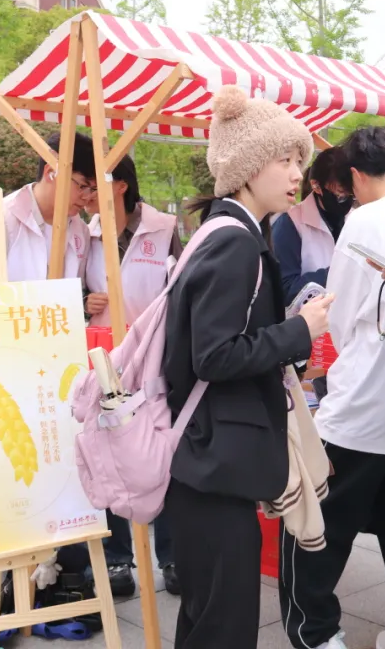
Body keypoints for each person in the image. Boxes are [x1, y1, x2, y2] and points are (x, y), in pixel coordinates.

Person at [162, 86, 333, 649]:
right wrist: (298, 330)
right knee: (224, 627)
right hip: (214, 467)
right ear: (247, 166)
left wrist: (291, 338)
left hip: (207, 462)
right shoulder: (235, 242)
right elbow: (214, 355)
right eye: (285, 159)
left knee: (207, 619)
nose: (297, 173)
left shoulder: (225, 233)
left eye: (300, 160)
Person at [278, 127, 385, 649]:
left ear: (358, 176)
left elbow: (339, 318)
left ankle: (317, 633)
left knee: (316, 527)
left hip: (359, 409)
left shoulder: (362, 221)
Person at [82, 154, 184, 597]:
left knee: (161, 453)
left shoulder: (163, 227)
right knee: (110, 452)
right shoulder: (84, 233)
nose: (85, 195)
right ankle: (119, 559)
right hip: (104, 360)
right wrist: (83, 300)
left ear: (120, 184)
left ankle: (173, 556)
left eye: (92, 185)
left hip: (154, 359)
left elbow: (182, 287)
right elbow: (67, 287)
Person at [0, 132, 94, 285]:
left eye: (93, 189)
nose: (87, 196)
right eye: (83, 186)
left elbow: (78, 290)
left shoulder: (80, 230)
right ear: (51, 173)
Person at [273, 147, 352, 305]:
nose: (346, 201)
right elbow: (285, 289)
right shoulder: (291, 224)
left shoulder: (355, 217)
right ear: (316, 186)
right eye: (339, 195)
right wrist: (335, 273)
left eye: (351, 195)